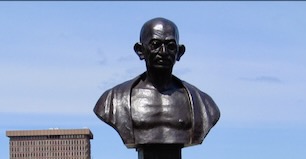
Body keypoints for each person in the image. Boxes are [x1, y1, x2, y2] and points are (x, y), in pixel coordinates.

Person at [94, 17, 220, 148]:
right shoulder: (113, 100)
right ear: (140, 50)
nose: (163, 52)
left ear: (179, 52)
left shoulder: (204, 104)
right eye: (155, 45)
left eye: (170, 46)